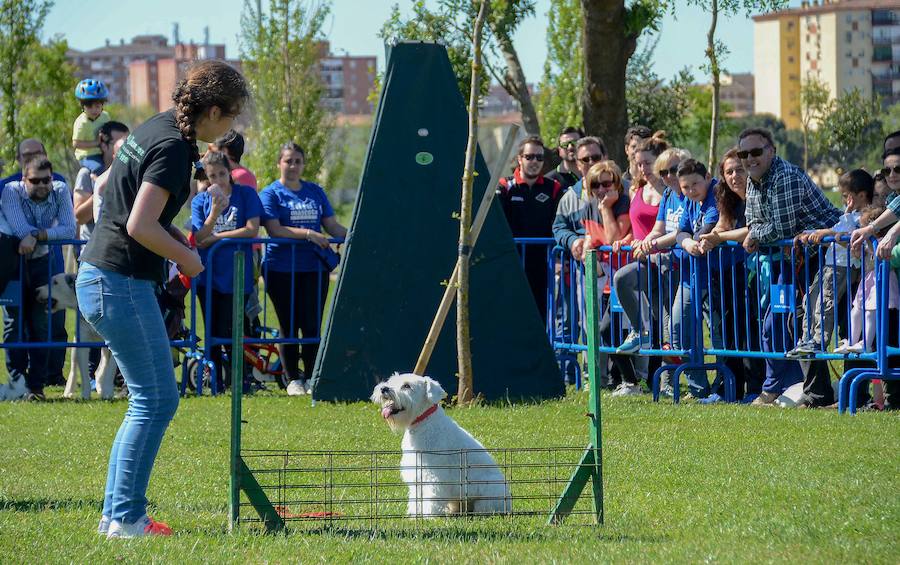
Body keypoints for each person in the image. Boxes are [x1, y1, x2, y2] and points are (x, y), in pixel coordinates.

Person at [77, 60, 249, 538]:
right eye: (231, 116)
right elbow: (137, 225)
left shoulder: (157, 125)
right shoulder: (175, 148)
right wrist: (188, 260)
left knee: (146, 401)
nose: (231, 127)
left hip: (102, 275)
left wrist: (178, 239)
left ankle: (116, 516)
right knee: (156, 400)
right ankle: (128, 519)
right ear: (213, 110)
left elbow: (123, 197)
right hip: (119, 280)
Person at [739, 127, 842, 408]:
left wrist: (757, 236)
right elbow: (754, 224)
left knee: (818, 321)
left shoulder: (785, 176)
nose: (750, 158)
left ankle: (846, 393)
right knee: (789, 321)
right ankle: (807, 390)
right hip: (798, 257)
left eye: (756, 151)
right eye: (744, 153)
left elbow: (778, 229)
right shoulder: (753, 179)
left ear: (772, 151)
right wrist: (759, 233)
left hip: (832, 252)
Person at [260, 142, 347, 396]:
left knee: (312, 324)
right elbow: (274, 229)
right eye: (288, 161)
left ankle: (311, 376)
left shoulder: (315, 191)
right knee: (289, 324)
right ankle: (292, 380)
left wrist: (354, 236)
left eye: (298, 161)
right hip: (280, 268)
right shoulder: (271, 193)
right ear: (279, 163)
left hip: (314, 268)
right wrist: (309, 234)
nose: (293, 166)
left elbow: (331, 226)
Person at [1, 156, 75, 401]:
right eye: (36, 180)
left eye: (47, 180)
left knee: (41, 324)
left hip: (41, 263)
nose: (43, 185)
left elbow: (69, 228)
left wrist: (38, 235)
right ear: (24, 180)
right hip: (12, 263)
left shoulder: (61, 190)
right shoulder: (11, 191)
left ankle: (36, 387)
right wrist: (37, 235)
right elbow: (18, 226)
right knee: (13, 323)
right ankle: (17, 383)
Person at [697, 147, 764, 401]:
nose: (735, 175)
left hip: (756, 273)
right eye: (728, 171)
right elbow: (722, 225)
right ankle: (730, 390)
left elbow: (751, 230)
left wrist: (717, 237)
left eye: (739, 169)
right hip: (728, 274)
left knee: (752, 332)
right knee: (728, 331)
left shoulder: (758, 194)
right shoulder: (726, 197)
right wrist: (709, 237)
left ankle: (755, 388)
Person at [191, 150, 262, 390]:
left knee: (234, 330)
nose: (218, 180)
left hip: (238, 276)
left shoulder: (246, 194)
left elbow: (252, 229)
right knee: (212, 330)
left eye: (222, 173)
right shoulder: (200, 201)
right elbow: (199, 237)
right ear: (206, 177)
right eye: (212, 176)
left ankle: (239, 381)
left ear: (230, 172)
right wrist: (213, 214)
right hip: (208, 276)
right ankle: (215, 382)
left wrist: (218, 237)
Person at [788, 170, 873, 358]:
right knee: (810, 298)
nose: (844, 200)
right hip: (829, 265)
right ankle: (805, 339)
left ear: (861, 195)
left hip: (843, 268)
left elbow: (849, 239)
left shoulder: (864, 218)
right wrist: (813, 234)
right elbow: (835, 233)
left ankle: (818, 340)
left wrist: (829, 234)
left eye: (846, 196)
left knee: (824, 303)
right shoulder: (850, 215)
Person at [497, 135, 564, 324]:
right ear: (519, 158)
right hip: (513, 261)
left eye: (539, 157)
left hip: (543, 262)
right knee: (512, 311)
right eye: (529, 156)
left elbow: (560, 223)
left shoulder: (554, 188)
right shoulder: (505, 186)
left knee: (541, 312)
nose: (535, 161)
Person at [836, 205, 899, 354]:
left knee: (871, 312)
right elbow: (862, 257)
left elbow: (875, 254)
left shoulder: (882, 242)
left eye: (865, 227)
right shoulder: (870, 243)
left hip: (882, 281)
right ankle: (851, 341)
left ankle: (866, 343)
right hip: (869, 282)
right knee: (856, 311)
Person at [72, 78, 112, 174]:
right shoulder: (81, 123)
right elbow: (76, 144)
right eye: (90, 107)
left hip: (103, 151)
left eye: (97, 106)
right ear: (83, 106)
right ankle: (98, 187)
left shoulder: (105, 116)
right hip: (87, 155)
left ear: (102, 105)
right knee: (99, 169)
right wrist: (96, 143)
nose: (94, 110)